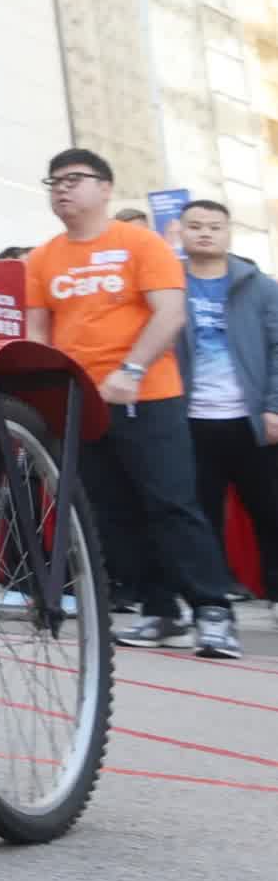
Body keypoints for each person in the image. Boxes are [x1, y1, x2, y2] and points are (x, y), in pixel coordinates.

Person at [27, 150, 240, 657]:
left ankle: (212, 610)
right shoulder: (42, 258)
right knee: (112, 512)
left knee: (171, 504)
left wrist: (132, 370)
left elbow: (169, 314)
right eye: (53, 181)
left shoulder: (139, 243)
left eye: (74, 179)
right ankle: (158, 609)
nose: (61, 189)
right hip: (82, 405)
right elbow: (38, 333)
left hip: (147, 397)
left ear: (105, 187)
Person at [176, 200, 278, 624]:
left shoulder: (259, 286)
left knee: (271, 511)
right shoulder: (168, 285)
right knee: (200, 515)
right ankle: (212, 601)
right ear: (180, 233)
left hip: (252, 420)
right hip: (190, 420)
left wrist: (274, 405)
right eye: (195, 226)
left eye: (214, 227)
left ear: (228, 232)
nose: (205, 233)